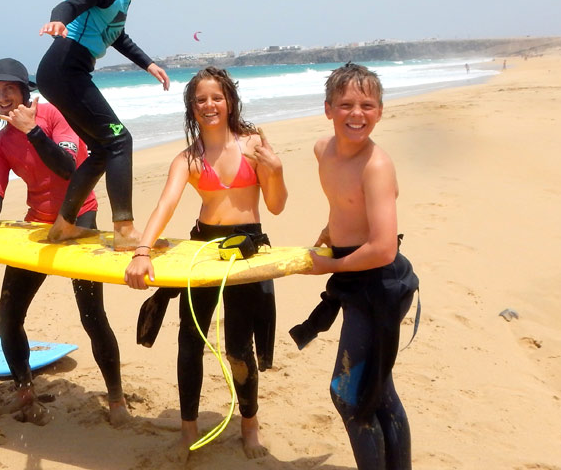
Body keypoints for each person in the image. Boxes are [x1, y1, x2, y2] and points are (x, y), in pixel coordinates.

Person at [123, 67, 287, 460]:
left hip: (248, 250)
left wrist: (275, 169)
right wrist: (142, 250)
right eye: (201, 100)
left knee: (238, 347)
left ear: (229, 100)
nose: (209, 105)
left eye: (217, 97)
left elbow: (277, 206)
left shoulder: (253, 143)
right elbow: (166, 204)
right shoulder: (188, 158)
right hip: (204, 249)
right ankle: (187, 431)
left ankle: (249, 426)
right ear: (191, 108)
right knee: (189, 342)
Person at [0, 59, 129, 426]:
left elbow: (71, 167)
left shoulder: (55, 116)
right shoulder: (1, 143)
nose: (2, 98)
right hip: (38, 225)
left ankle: (116, 400)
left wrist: (34, 130)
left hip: (79, 219)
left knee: (92, 315)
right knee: (7, 316)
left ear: (25, 91)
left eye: (9, 89)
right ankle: (25, 392)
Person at [296, 62, 419, 470]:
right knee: (378, 390)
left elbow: (383, 249)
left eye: (368, 105)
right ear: (328, 108)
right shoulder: (322, 150)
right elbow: (343, 204)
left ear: (380, 111)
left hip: (381, 285)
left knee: (348, 393)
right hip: (355, 277)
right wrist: (330, 232)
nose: (357, 113)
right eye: (346, 104)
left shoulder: (377, 166)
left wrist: (326, 267)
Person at [36, 0, 171, 250]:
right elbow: (74, 3)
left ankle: (64, 227)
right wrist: (58, 19)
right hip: (65, 67)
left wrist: (148, 63)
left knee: (102, 149)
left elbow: (116, 34)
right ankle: (124, 230)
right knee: (120, 141)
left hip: (66, 70)